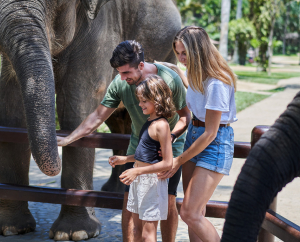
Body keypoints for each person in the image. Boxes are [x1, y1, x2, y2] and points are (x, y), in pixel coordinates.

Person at [57, 40, 191, 242]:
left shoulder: (169, 79)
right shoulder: (120, 82)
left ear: (141, 65)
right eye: (119, 72)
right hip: (138, 150)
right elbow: (97, 117)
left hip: (169, 150)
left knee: (167, 202)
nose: (121, 78)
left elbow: (185, 116)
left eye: (126, 73)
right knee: (130, 204)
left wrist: (171, 140)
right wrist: (69, 139)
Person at [158, 26, 237, 242]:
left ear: (198, 51)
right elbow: (186, 80)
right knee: (195, 212)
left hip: (213, 142)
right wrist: (166, 66)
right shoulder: (195, 74)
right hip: (194, 135)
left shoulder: (216, 83)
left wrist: (178, 160)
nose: (181, 58)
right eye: (178, 53)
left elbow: (211, 133)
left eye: (185, 53)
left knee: (189, 212)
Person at [108, 75, 174, 242]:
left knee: (147, 233)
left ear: (157, 99)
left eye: (144, 101)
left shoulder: (162, 125)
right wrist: (125, 159)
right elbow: (146, 153)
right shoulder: (149, 121)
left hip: (151, 183)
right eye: (140, 100)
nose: (140, 104)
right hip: (139, 180)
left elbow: (167, 163)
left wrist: (137, 171)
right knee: (136, 230)